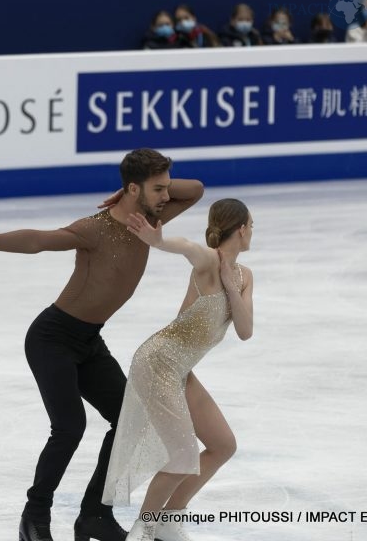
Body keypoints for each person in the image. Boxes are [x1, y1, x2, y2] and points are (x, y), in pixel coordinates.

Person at [0, 148, 205, 541]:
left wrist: (142, 189)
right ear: (135, 188)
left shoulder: (150, 218)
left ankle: (94, 514)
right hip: (52, 338)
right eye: (158, 188)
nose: (166, 195)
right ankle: (35, 517)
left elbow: (195, 189)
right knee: (69, 427)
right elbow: (40, 240)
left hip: (89, 341)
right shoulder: (93, 229)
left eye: (166, 188)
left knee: (129, 420)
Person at [102, 199, 254, 541]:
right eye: (252, 226)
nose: (252, 233)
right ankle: (145, 526)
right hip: (157, 360)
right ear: (241, 229)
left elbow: (245, 331)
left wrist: (231, 287)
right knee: (183, 455)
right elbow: (186, 247)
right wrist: (157, 242)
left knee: (222, 444)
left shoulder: (244, 277)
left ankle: (170, 518)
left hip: (181, 369)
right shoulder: (208, 261)